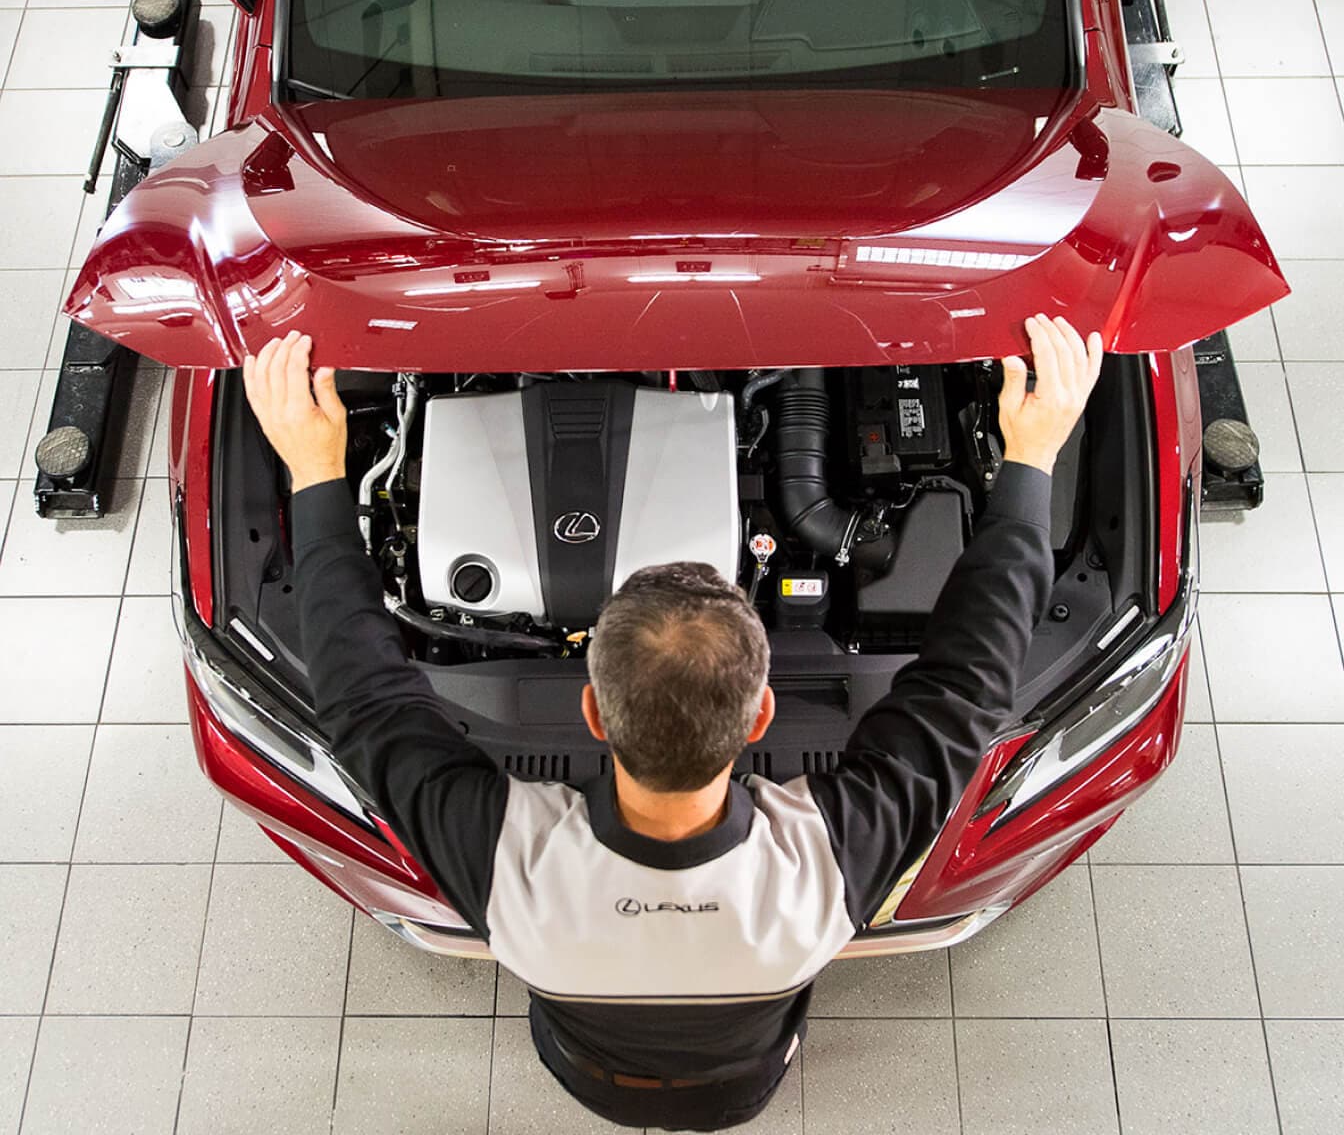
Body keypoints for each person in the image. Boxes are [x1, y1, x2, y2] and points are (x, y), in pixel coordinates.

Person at [242, 315, 1103, 1132]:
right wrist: (1030, 456)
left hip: (582, 1065)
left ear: (592, 708)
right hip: (747, 1077)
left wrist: (316, 471)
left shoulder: (520, 882)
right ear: (761, 713)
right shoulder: (813, 884)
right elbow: (969, 683)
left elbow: (363, 700)